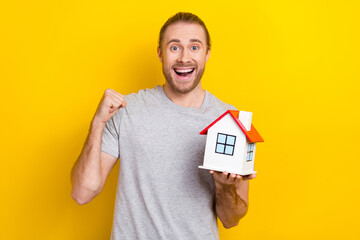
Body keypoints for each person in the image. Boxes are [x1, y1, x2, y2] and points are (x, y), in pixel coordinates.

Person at [71, 12, 256, 240]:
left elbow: (231, 220)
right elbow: (82, 192)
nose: (184, 58)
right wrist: (97, 123)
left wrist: (223, 185)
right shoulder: (127, 110)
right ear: (160, 53)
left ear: (207, 54)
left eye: (195, 47)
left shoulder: (231, 121)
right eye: (174, 47)